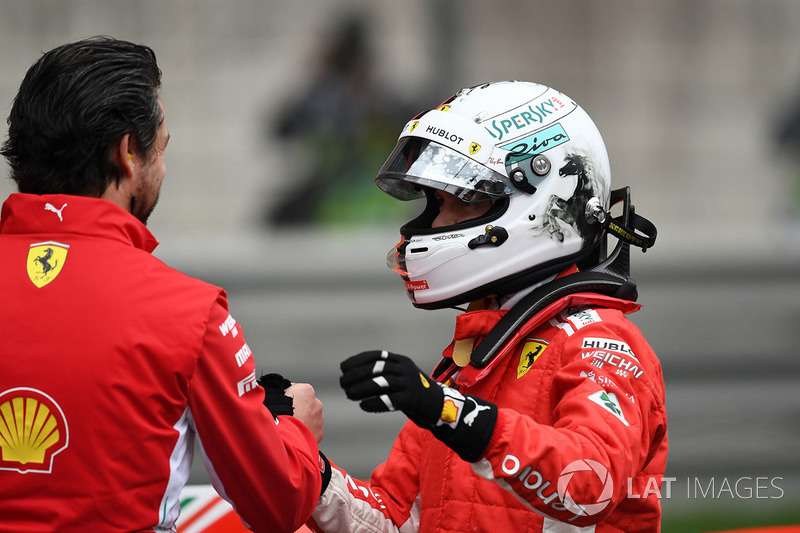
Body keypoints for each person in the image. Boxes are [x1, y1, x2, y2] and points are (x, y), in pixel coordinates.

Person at [308, 81, 667, 532]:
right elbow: (392, 516)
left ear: (541, 200)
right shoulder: (471, 357)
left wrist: (450, 412)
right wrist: (299, 462)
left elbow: (590, 484)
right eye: (435, 204)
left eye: (461, 201)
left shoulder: (600, 342)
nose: (432, 224)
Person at [0, 36, 325, 533]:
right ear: (128, 153)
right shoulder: (190, 311)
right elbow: (278, 504)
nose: (163, 168)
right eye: (162, 149)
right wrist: (296, 429)